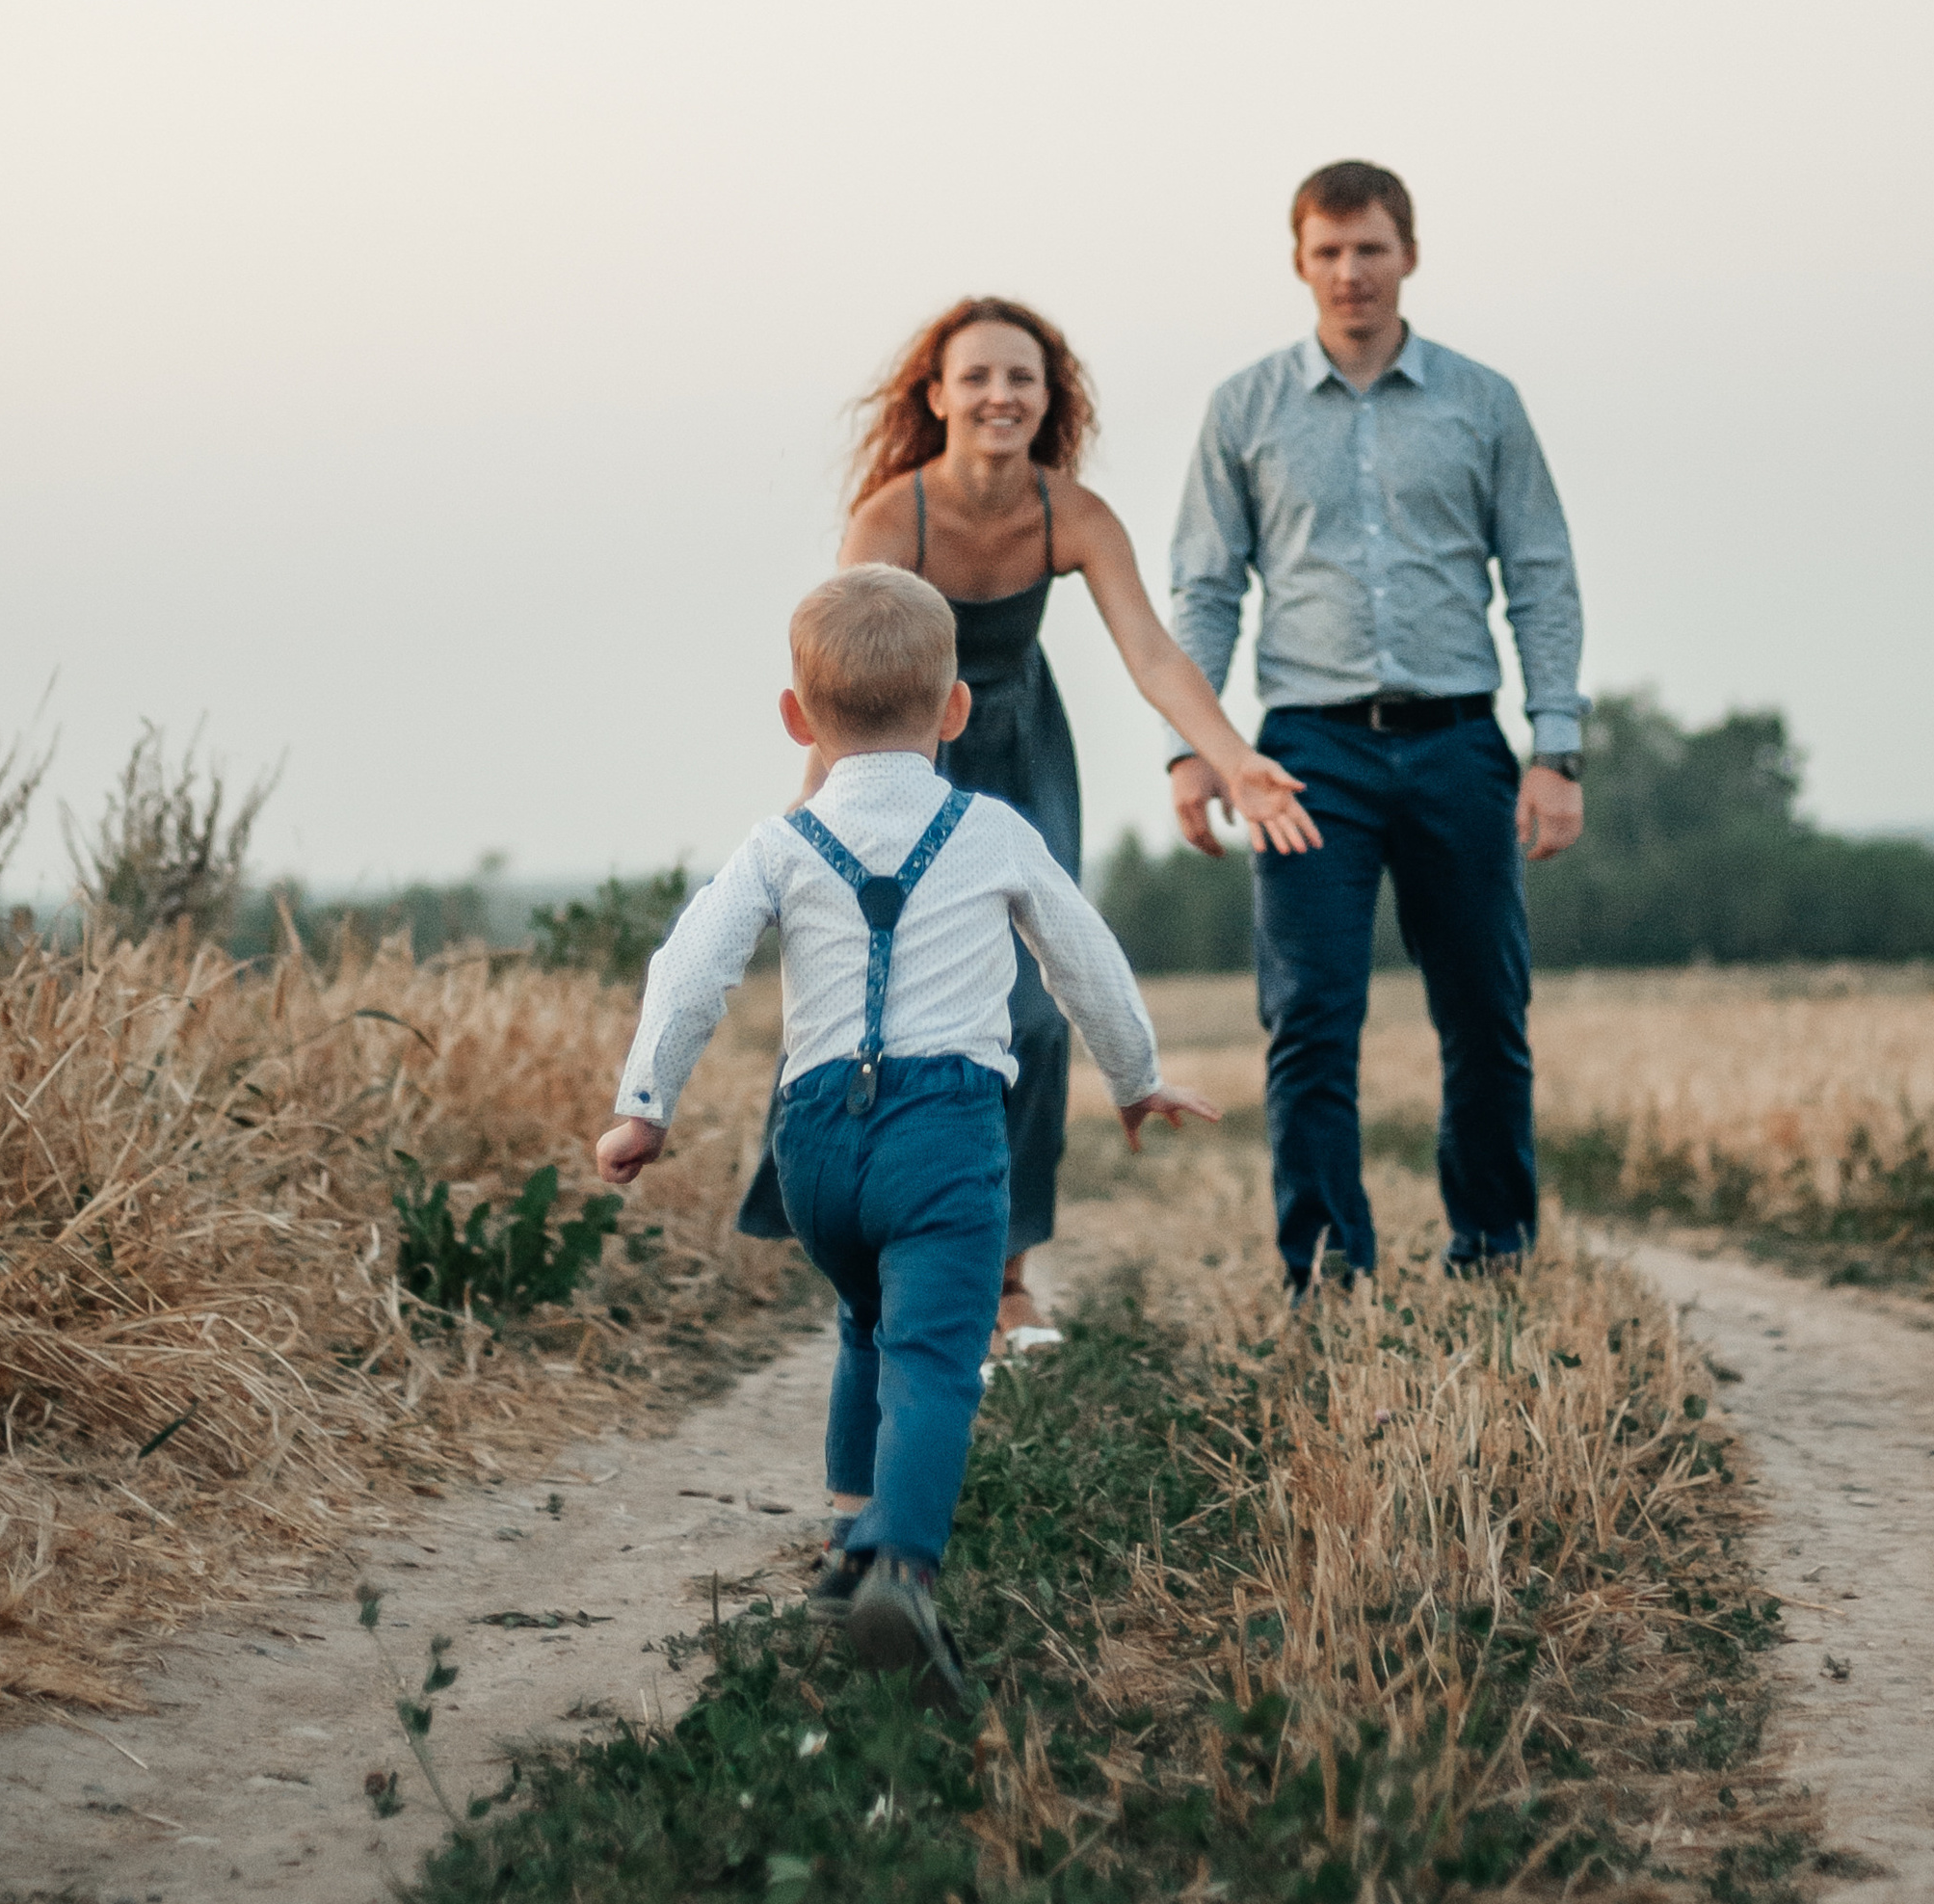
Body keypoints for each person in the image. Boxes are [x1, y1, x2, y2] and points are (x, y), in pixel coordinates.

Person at [598, 567, 1216, 1709]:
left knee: (865, 1321)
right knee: (938, 1354)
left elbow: (689, 970)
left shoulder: (779, 843)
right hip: (942, 1133)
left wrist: (645, 1105)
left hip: (815, 1145)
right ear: (956, 710)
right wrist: (1136, 1077)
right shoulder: (993, 831)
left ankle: (845, 1549)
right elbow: (1085, 961)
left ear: (797, 719)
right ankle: (902, 1568)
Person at [737, 297, 1318, 1345]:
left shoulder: (1074, 514)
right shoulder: (891, 517)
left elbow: (1150, 652)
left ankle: (1006, 1272)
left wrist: (1232, 762)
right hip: (906, 744)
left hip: (1021, 750)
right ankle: (851, 1227)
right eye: (978, 377)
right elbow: (844, 672)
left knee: (1037, 1015)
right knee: (863, 981)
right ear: (937, 395)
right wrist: (806, 823)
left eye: (1022, 378)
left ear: (1049, 400)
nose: (1000, 395)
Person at [1166, 161, 1586, 1294]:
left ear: (1408, 253)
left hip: (1459, 740)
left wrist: (1554, 749)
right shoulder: (1243, 410)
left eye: (1370, 248)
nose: (1350, 272)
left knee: (1486, 1012)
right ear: (1299, 261)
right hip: (1304, 757)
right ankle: (1325, 1270)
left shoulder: (1482, 402)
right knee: (1309, 1020)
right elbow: (1204, 592)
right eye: (1328, 251)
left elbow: (1539, 576)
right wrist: (1197, 755)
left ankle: (1493, 1253)